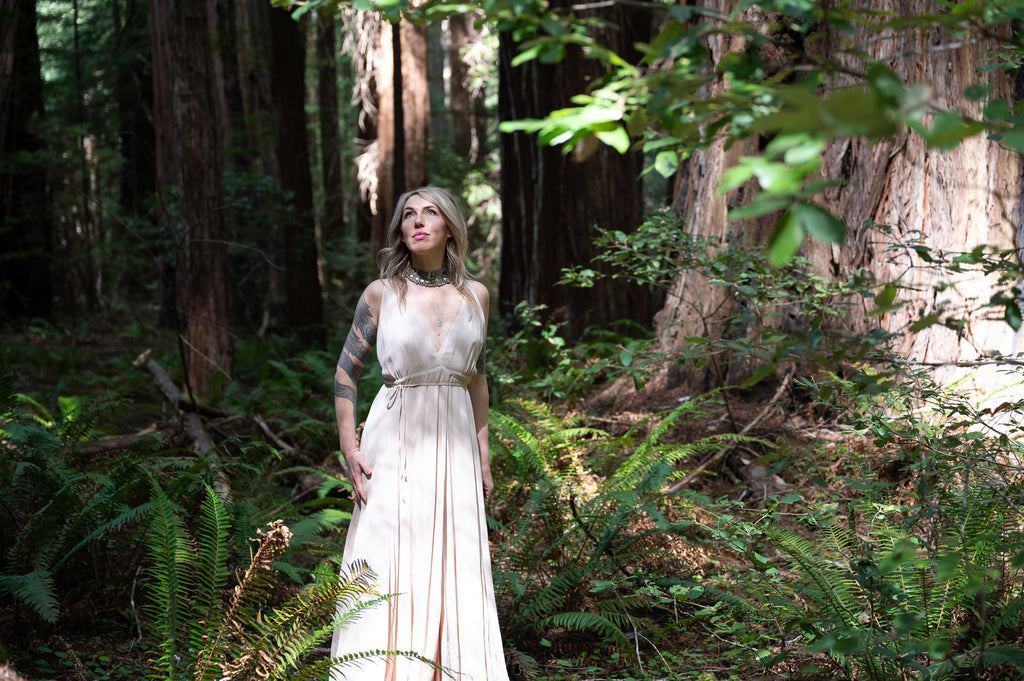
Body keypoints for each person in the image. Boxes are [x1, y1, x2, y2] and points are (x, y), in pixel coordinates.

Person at [330, 187, 510, 681]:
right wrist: (350, 447)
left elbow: (476, 377)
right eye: (408, 215)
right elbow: (346, 374)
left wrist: (484, 455)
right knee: (386, 553)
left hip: (454, 445)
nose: (417, 221)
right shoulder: (380, 293)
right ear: (400, 231)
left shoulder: (477, 296)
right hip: (394, 441)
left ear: (450, 225)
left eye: (429, 212)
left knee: (455, 555)